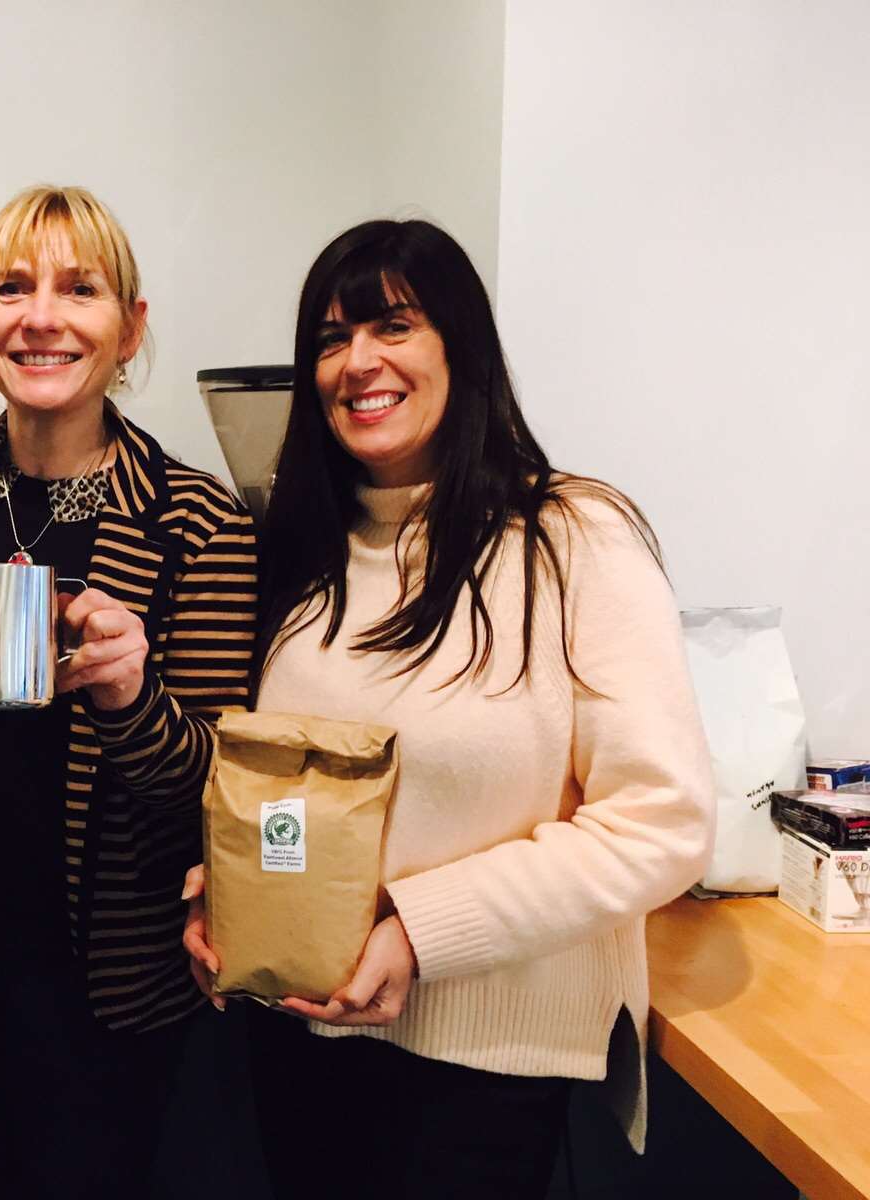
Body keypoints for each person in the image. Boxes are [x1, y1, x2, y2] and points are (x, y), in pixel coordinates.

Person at [182, 219, 715, 1198]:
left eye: (391, 325)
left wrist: (419, 933)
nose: (357, 362)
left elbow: (662, 823)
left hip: (480, 1066)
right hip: (298, 1036)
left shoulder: (570, 541)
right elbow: (284, 784)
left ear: (459, 345)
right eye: (330, 340)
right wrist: (220, 889)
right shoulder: (304, 553)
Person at [0, 184, 257, 1198]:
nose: (40, 316)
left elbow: (217, 786)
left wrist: (129, 699)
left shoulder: (195, 521)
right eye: (9, 287)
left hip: (98, 986)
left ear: (129, 327)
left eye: (80, 288)